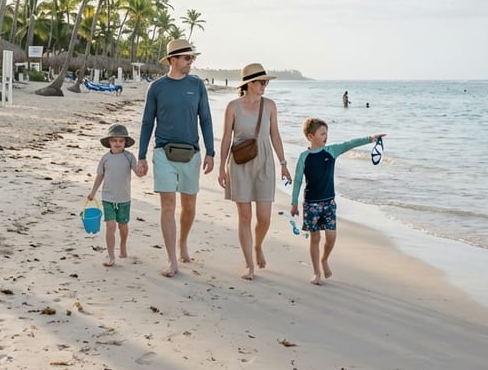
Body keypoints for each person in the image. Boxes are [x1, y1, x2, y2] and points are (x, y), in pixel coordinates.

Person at [136, 39, 215, 277]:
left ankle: (182, 243)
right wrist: (141, 156)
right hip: (163, 153)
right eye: (187, 58)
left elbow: (206, 119)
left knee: (189, 207)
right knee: (168, 206)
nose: (191, 62)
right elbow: (147, 122)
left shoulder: (197, 85)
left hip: (191, 153)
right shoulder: (157, 88)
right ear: (172, 60)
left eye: (192, 58)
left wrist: (211, 151)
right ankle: (172, 259)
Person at [217, 63, 293, 280]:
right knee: (244, 217)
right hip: (240, 164)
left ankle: (258, 245)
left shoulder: (270, 105)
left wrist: (283, 163)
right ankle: (249, 264)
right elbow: (225, 139)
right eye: (261, 82)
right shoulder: (233, 107)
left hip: (265, 163)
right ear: (249, 83)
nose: (265, 86)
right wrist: (222, 167)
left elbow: (275, 136)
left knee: (264, 218)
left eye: (266, 82)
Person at [289, 118, 385, 285]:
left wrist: (371, 138)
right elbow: (297, 180)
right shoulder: (304, 157)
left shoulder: (331, 151)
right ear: (311, 136)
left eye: (327, 133)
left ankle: (324, 259)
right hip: (311, 204)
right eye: (323, 133)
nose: (326, 136)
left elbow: (350, 143)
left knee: (331, 236)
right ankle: (316, 272)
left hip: (329, 203)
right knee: (315, 238)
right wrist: (294, 203)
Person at [87, 124, 140, 267]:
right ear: (109, 141)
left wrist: (143, 168)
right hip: (108, 198)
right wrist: (93, 192)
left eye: (121, 141)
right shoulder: (105, 158)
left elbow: (138, 173)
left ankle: (123, 245)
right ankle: (111, 256)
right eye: (114, 140)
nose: (117, 143)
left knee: (123, 225)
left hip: (124, 198)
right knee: (110, 226)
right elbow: (100, 176)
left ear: (125, 142)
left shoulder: (129, 157)